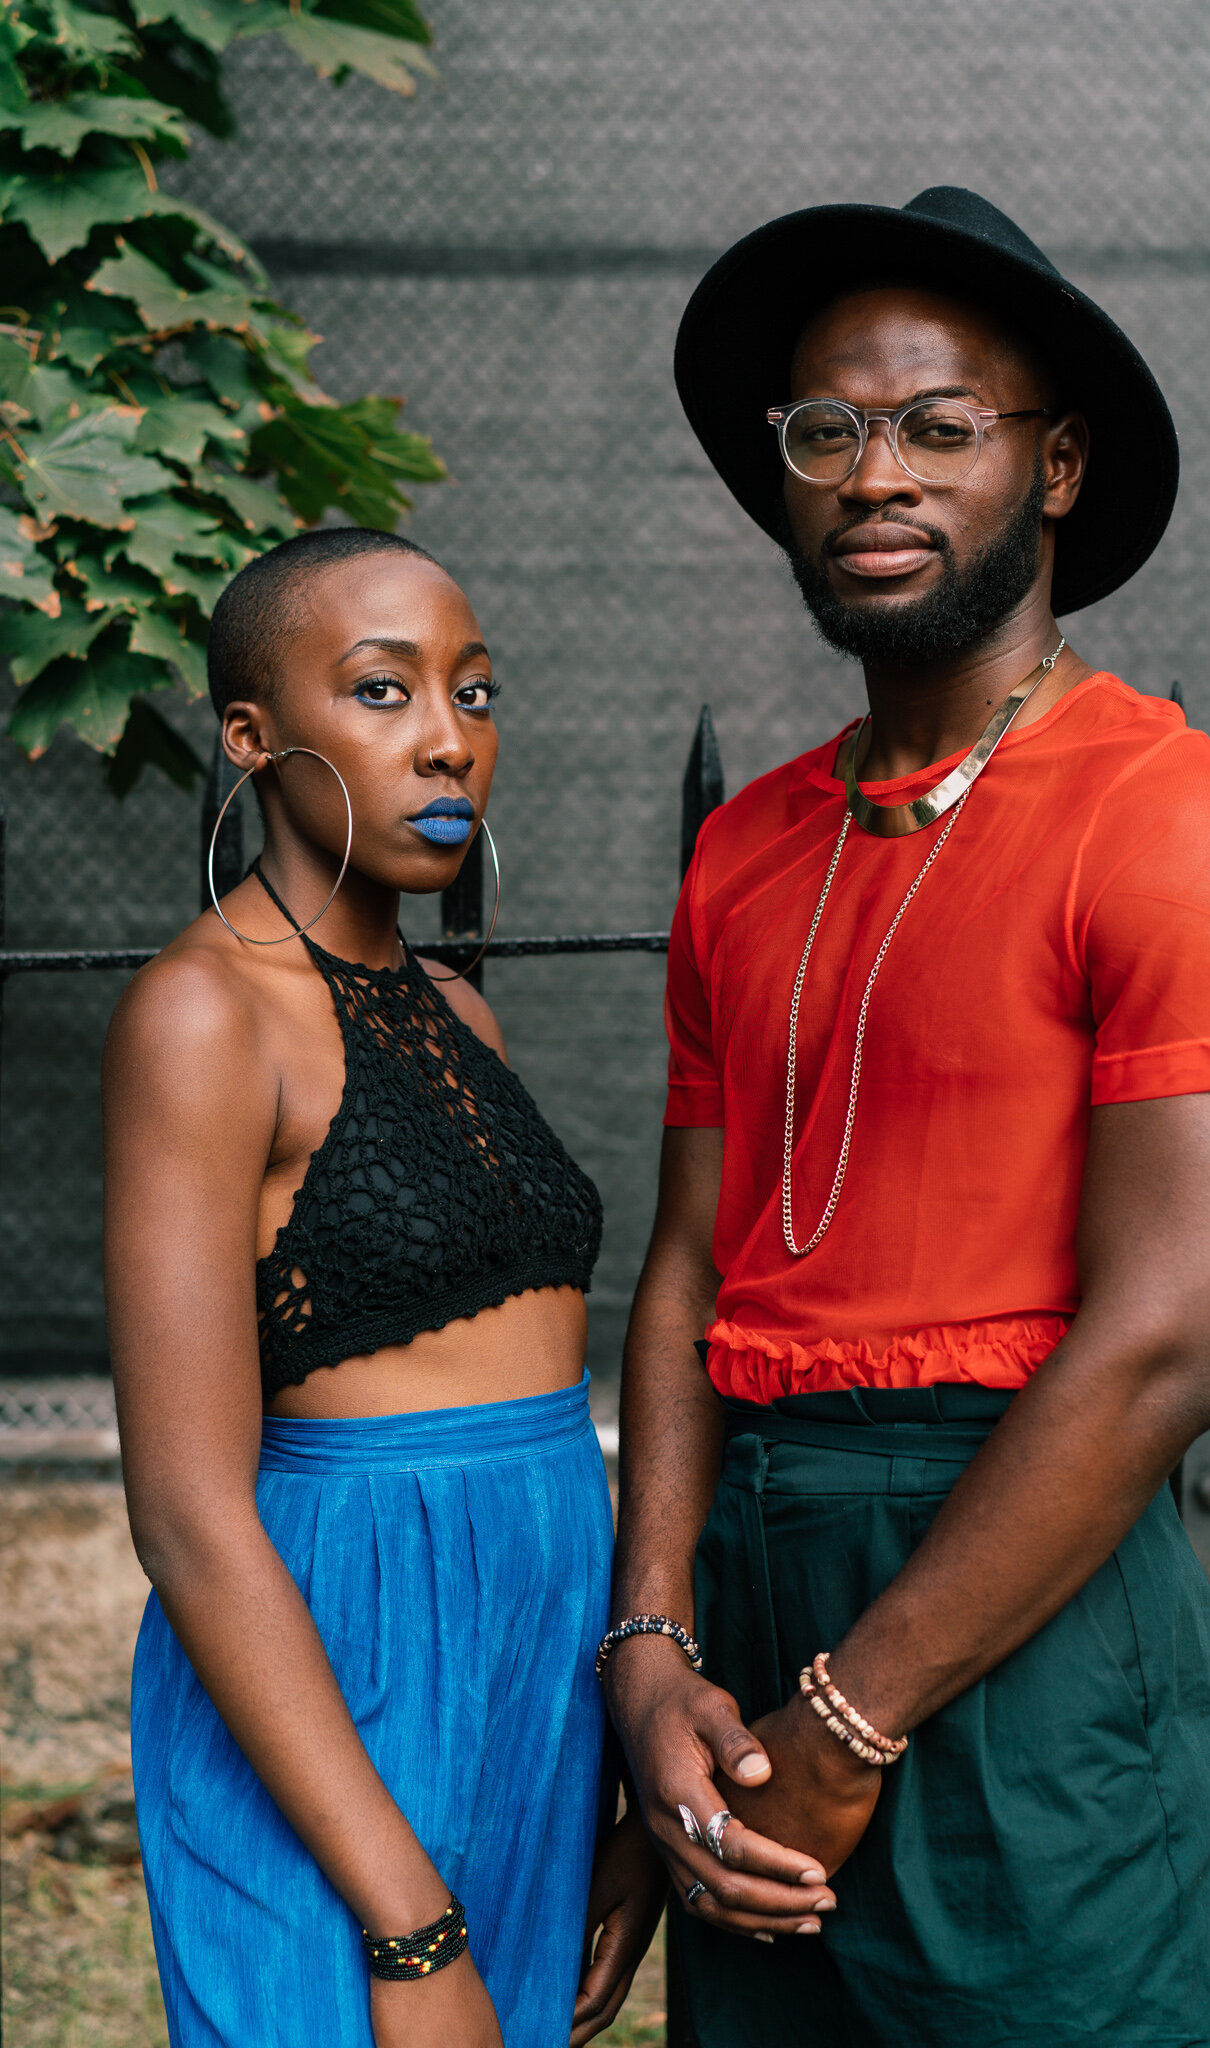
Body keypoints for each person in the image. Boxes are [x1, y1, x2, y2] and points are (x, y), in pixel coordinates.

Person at [601, 188, 1210, 2045]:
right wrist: (654, 1642)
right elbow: (686, 1268)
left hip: (1021, 1589)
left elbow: (1166, 1346)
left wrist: (851, 1719)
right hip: (750, 1557)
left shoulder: (1167, 812)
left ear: (1055, 465)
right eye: (825, 431)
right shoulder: (747, 847)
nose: (872, 474)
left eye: (939, 425)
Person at [103, 527, 663, 2048]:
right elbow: (188, 1514)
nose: (445, 739)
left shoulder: (459, 1015)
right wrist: (413, 1935)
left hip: (531, 1677)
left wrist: (613, 1780)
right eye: (380, 690)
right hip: (334, 1666)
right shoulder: (204, 1016)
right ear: (251, 737)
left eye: (475, 696)